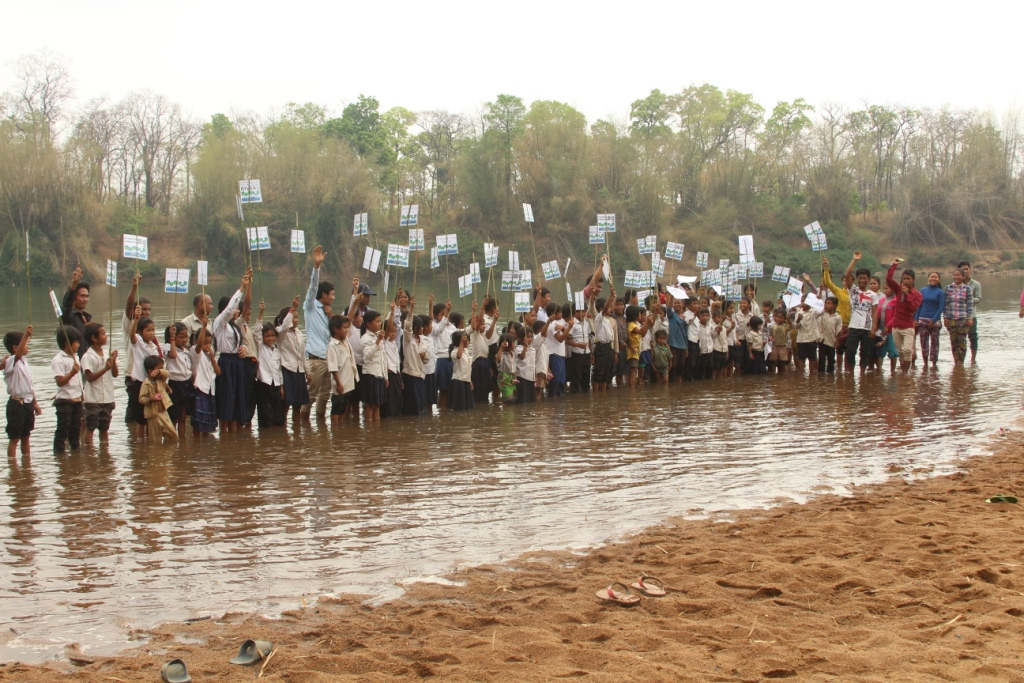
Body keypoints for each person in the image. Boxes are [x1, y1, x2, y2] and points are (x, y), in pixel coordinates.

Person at [213, 268, 252, 432]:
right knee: (227, 400)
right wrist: (241, 288)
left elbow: (239, 342)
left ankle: (234, 440)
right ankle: (225, 433)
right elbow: (230, 310)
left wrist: (242, 347)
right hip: (227, 363)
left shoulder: (234, 326)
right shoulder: (220, 323)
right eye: (235, 308)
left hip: (237, 363)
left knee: (237, 401)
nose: (237, 310)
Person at [303, 245, 333, 420]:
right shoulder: (311, 307)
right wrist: (316, 267)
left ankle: (321, 429)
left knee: (325, 396)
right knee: (311, 396)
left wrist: (331, 316)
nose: (333, 297)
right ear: (323, 295)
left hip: (329, 359)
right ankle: (303, 425)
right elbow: (313, 288)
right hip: (315, 360)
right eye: (331, 294)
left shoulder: (327, 312)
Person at [3, 326, 41, 459]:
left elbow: (29, 386)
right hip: (16, 404)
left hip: (27, 403)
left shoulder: (25, 362)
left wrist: (35, 403)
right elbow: (18, 354)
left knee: (26, 436)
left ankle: (26, 464)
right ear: (15, 347)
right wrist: (26, 335)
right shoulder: (10, 362)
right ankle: (12, 465)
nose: (27, 347)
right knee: (14, 438)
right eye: (25, 344)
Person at [81, 323, 118, 445]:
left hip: (107, 397)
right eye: (103, 334)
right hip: (93, 399)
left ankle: (104, 453)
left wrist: (114, 361)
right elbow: (90, 377)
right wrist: (106, 368)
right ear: (94, 338)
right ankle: (89, 451)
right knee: (90, 427)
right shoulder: (88, 356)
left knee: (104, 428)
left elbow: (115, 374)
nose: (106, 336)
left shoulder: (106, 354)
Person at [127, 307, 162, 437]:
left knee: (151, 417)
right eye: (148, 330)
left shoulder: (154, 347)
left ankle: (148, 448)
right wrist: (135, 320)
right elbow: (132, 335)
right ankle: (141, 444)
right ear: (141, 332)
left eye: (153, 330)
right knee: (141, 419)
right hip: (140, 383)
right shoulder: (138, 342)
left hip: (152, 384)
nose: (152, 333)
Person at [885, 258, 922, 373]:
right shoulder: (898, 289)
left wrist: (906, 295)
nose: (905, 281)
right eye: (904, 278)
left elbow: (912, 308)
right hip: (896, 326)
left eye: (908, 279)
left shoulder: (917, 294)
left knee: (907, 350)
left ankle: (905, 373)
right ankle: (903, 372)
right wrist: (893, 266)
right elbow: (888, 279)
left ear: (913, 280)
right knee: (900, 351)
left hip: (908, 326)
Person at [844, 252, 879, 374]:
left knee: (865, 353)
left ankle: (862, 374)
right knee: (850, 351)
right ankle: (852, 373)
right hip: (854, 326)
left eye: (865, 278)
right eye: (860, 278)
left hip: (867, 327)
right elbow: (847, 274)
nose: (862, 280)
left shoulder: (873, 295)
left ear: (868, 280)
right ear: (857, 279)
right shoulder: (853, 290)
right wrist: (854, 260)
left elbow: (874, 311)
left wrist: (874, 327)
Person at [51, 326, 84, 454]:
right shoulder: (58, 360)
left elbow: (79, 380)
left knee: (76, 429)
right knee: (63, 428)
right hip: (65, 400)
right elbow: (60, 382)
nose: (79, 345)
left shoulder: (76, 357)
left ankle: (75, 455)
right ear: (67, 344)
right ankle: (59, 454)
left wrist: (82, 394)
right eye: (76, 342)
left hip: (77, 398)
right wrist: (72, 372)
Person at [163, 322, 194, 439]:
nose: (185, 340)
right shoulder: (168, 347)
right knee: (174, 416)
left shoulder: (186, 351)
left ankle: (182, 443)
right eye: (181, 337)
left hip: (186, 384)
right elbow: (173, 355)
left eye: (186, 337)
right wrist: (172, 339)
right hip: (175, 385)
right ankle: (171, 440)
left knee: (183, 416)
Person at [138, 356, 178, 444]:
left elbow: (167, 373)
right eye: (159, 368)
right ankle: (156, 455)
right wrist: (150, 399)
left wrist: (159, 371)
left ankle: (167, 455)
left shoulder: (160, 379)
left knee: (173, 435)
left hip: (163, 412)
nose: (161, 370)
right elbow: (141, 399)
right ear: (150, 370)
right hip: (153, 414)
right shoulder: (146, 384)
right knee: (155, 439)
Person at [254, 321, 285, 429]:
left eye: (272, 336)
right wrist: (261, 314)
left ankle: (275, 439)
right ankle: (265, 437)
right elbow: (256, 332)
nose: (271, 338)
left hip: (275, 384)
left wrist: (281, 386)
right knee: (266, 415)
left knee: (278, 415)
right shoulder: (260, 348)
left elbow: (278, 369)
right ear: (262, 337)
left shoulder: (276, 351)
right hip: (263, 384)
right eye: (267, 336)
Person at [327, 314, 357, 426]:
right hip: (340, 382)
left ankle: (340, 429)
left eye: (347, 327)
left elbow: (350, 317)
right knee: (336, 407)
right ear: (336, 329)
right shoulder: (332, 345)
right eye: (344, 328)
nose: (346, 330)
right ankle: (335, 429)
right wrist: (338, 383)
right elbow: (333, 367)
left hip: (348, 381)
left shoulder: (345, 341)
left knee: (343, 407)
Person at [191, 324, 219, 436]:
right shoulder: (195, 352)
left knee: (208, 421)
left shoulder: (209, 355)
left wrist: (212, 358)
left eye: (209, 343)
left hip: (210, 390)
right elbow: (198, 347)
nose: (207, 346)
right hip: (201, 388)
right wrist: (203, 327)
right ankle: (196, 442)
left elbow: (218, 372)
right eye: (205, 343)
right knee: (198, 421)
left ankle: (205, 446)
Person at [359, 309, 387, 421]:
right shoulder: (365, 338)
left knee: (377, 404)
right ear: (368, 324)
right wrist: (378, 341)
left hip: (379, 374)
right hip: (370, 375)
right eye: (377, 321)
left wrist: (385, 376)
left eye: (380, 321)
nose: (379, 324)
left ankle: (376, 430)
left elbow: (383, 358)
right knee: (370, 405)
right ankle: (370, 429)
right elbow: (367, 355)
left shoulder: (378, 336)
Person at [944, 267, 974, 366]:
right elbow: (946, 304)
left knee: (962, 342)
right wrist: (945, 317)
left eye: (959, 275)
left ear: (963, 277)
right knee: (953, 341)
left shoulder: (967, 289)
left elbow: (970, 304)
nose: (956, 277)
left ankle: (961, 362)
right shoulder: (948, 288)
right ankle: (956, 361)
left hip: (963, 319)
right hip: (951, 318)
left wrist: (970, 318)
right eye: (955, 275)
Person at [915, 272, 945, 369]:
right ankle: (925, 364)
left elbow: (940, 308)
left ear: (939, 279)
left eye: (935, 277)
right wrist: (915, 318)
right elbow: (919, 305)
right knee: (923, 343)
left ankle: (934, 365)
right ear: (928, 278)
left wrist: (933, 320)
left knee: (935, 343)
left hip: (935, 322)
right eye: (931, 277)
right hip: (922, 320)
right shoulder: (923, 290)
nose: (933, 278)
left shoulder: (941, 292)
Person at [61, 266, 93, 353]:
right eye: (82, 296)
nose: (85, 299)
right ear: (74, 297)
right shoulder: (68, 316)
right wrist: (74, 283)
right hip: (75, 362)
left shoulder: (86, 318)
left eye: (87, 296)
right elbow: (66, 303)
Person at [958, 261, 982, 362]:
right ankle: (960, 358)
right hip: (958, 315)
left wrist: (968, 299)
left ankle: (973, 359)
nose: (965, 271)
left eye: (967, 269)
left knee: (973, 336)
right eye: (963, 269)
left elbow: (979, 298)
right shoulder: (956, 285)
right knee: (959, 338)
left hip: (972, 315)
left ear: (970, 270)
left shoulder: (976, 284)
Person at [448, 330, 474, 411]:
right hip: (458, 381)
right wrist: (462, 343)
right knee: (459, 407)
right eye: (466, 339)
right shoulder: (454, 351)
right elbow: (458, 356)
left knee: (466, 406)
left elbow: (467, 368)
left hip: (466, 381)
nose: (468, 341)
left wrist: (470, 381)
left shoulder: (466, 351)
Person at [817, 297, 842, 374]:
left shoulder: (837, 317)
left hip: (831, 340)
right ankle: (821, 376)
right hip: (822, 340)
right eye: (826, 303)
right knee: (821, 359)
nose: (827, 305)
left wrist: (837, 341)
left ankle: (830, 377)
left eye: (829, 303)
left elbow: (838, 330)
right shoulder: (822, 314)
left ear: (834, 305)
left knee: (831, 360)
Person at [515, 326, 536, 403]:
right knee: (523, 398)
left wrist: (535, 376)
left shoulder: (533, 349)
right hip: (522, 377)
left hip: (531, 377)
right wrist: (525, 347)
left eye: (531, 337)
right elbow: (522, 357)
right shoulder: (518, 348)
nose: (529, 339)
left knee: (531, 399)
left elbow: (534, 364)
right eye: (527, 337)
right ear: (521, 338)